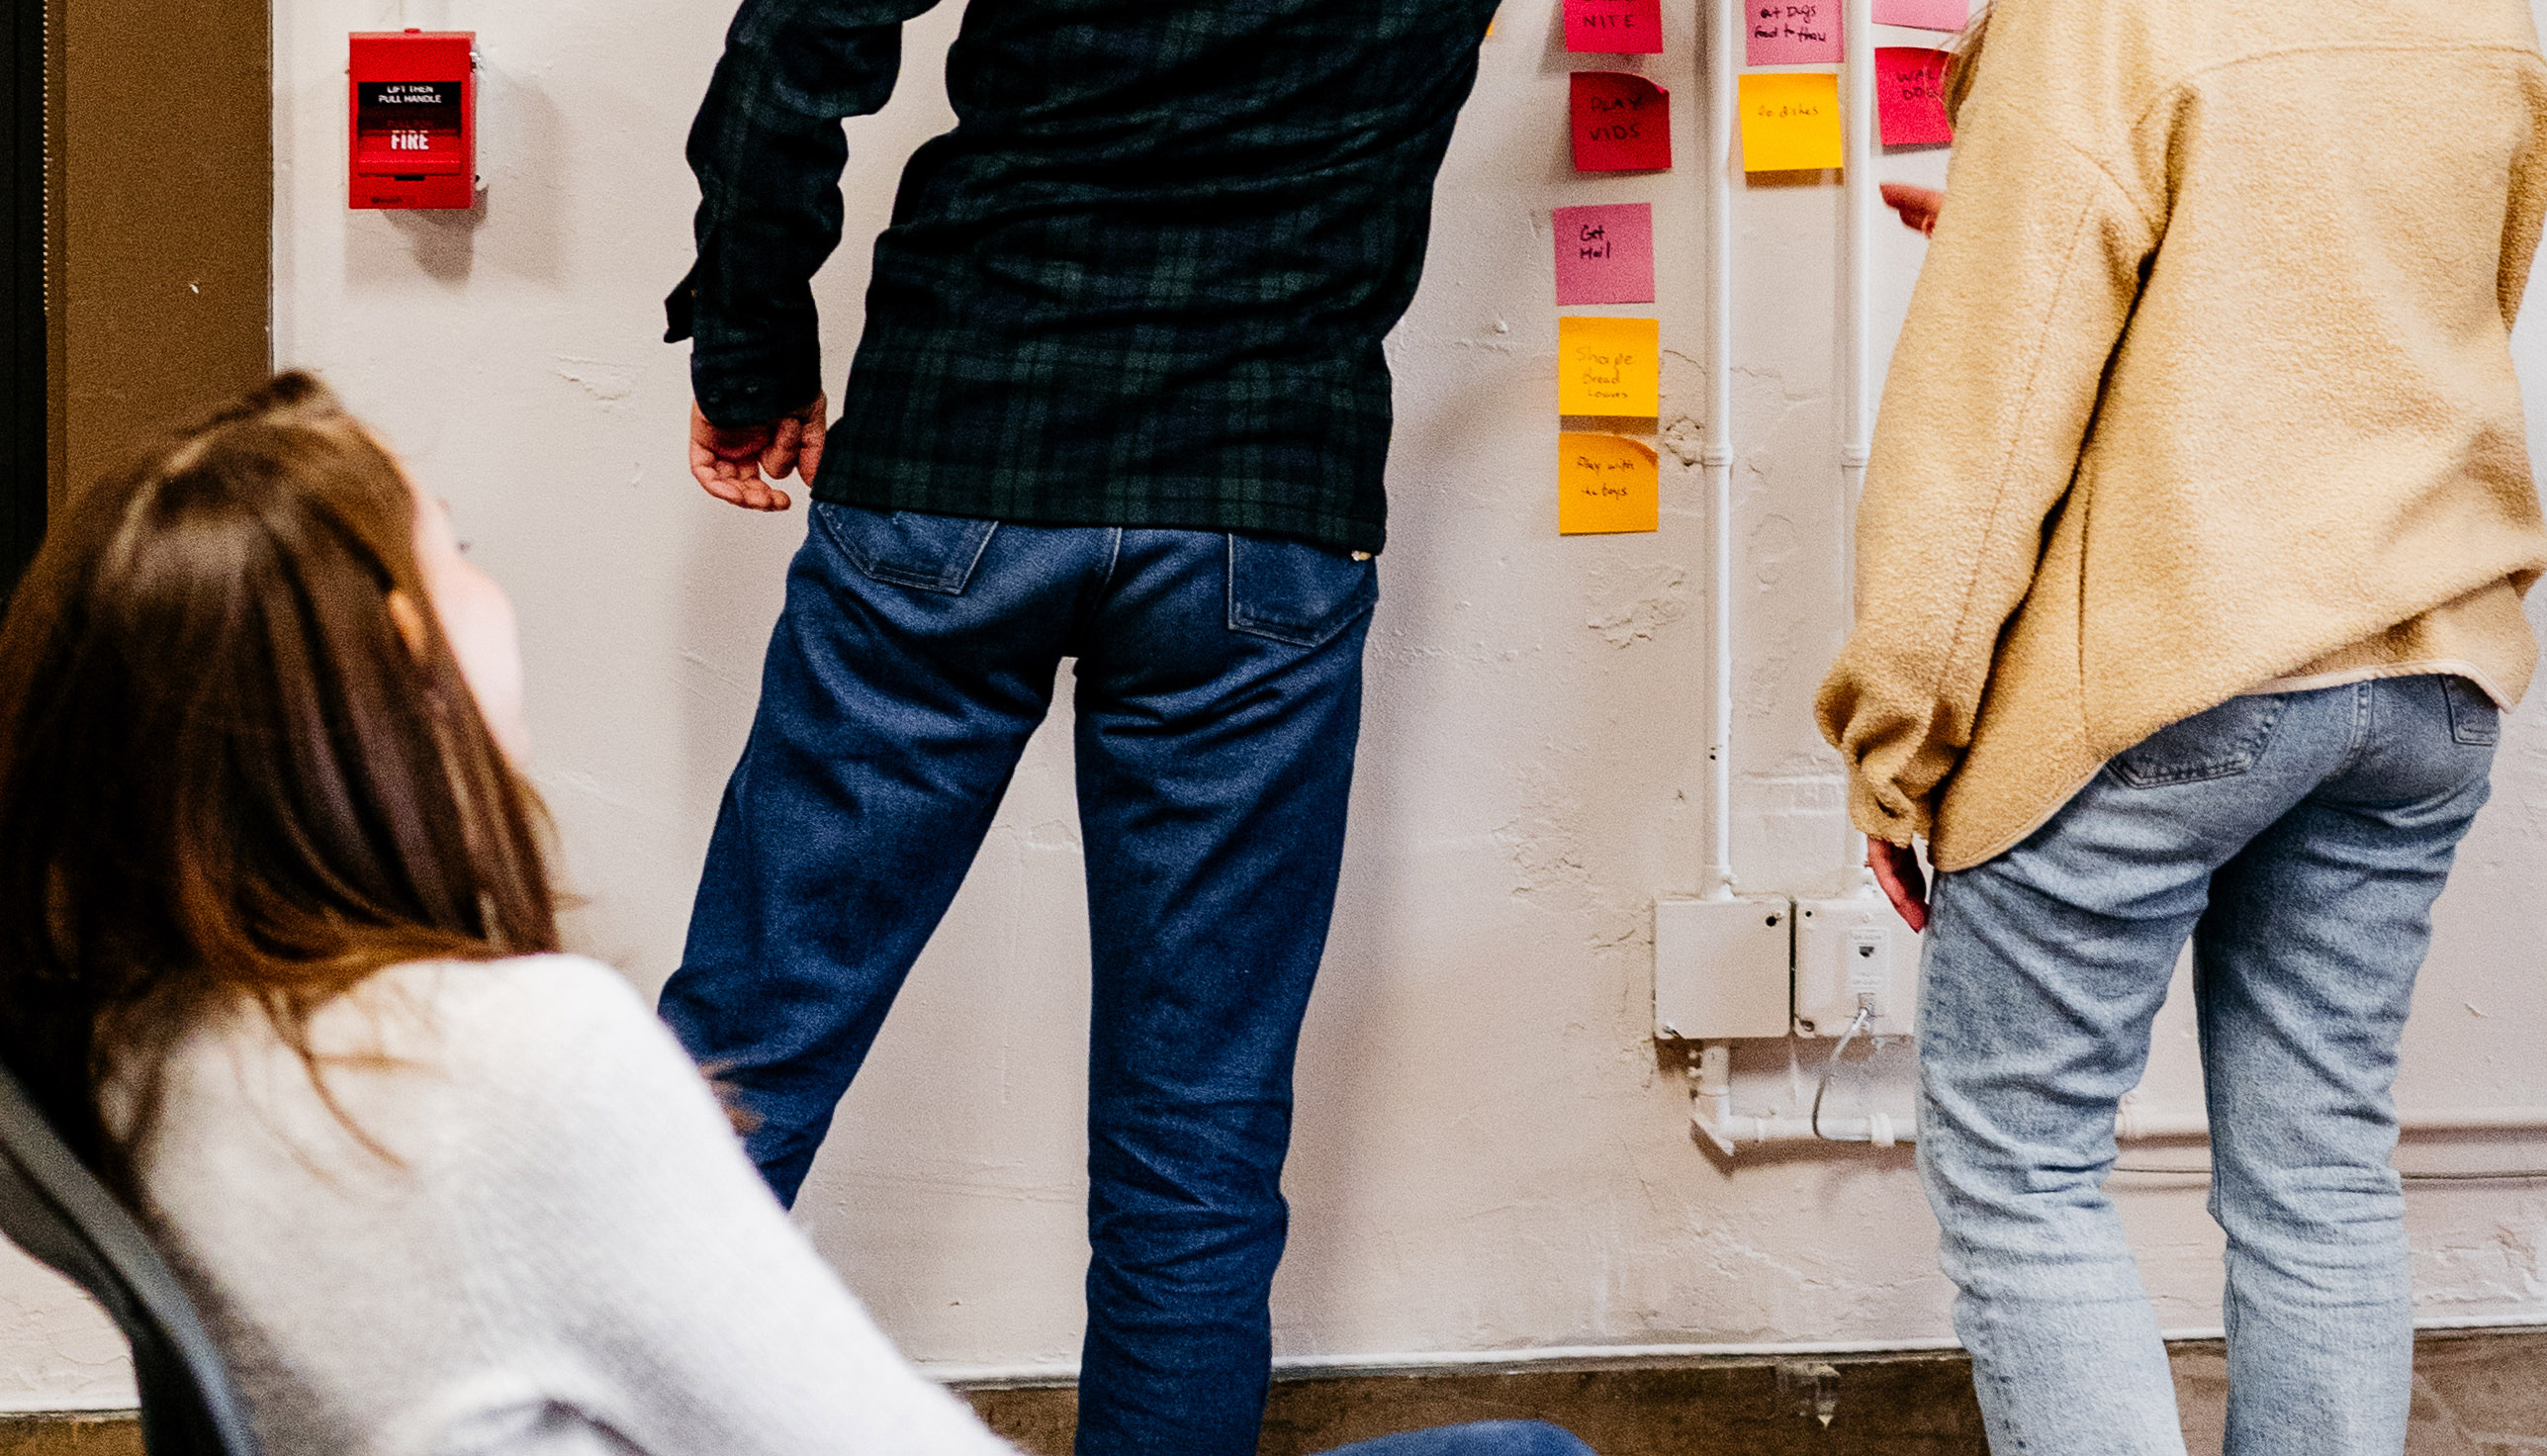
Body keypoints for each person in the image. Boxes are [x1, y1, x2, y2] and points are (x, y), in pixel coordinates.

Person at [661, 0, 2023, 1454]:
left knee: (744, 1048)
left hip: (947, 472)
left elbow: (793, 39)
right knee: (1194, 1137)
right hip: (1253, 530)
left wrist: (754, 353)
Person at [0, 373, 1598, 1456]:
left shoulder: (135, 1042)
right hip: (1267, 503)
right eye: (464, 561)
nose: (498, 599)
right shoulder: (521, 1060)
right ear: (404, 656)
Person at [1817, 0, 2547, 1456]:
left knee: (2025, 1174)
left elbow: (1984, 431)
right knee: (2317, 1173)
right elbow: (2414, 292)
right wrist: (2017, 216)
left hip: (2169, 671)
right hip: (2421, 671)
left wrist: (1902, 734)